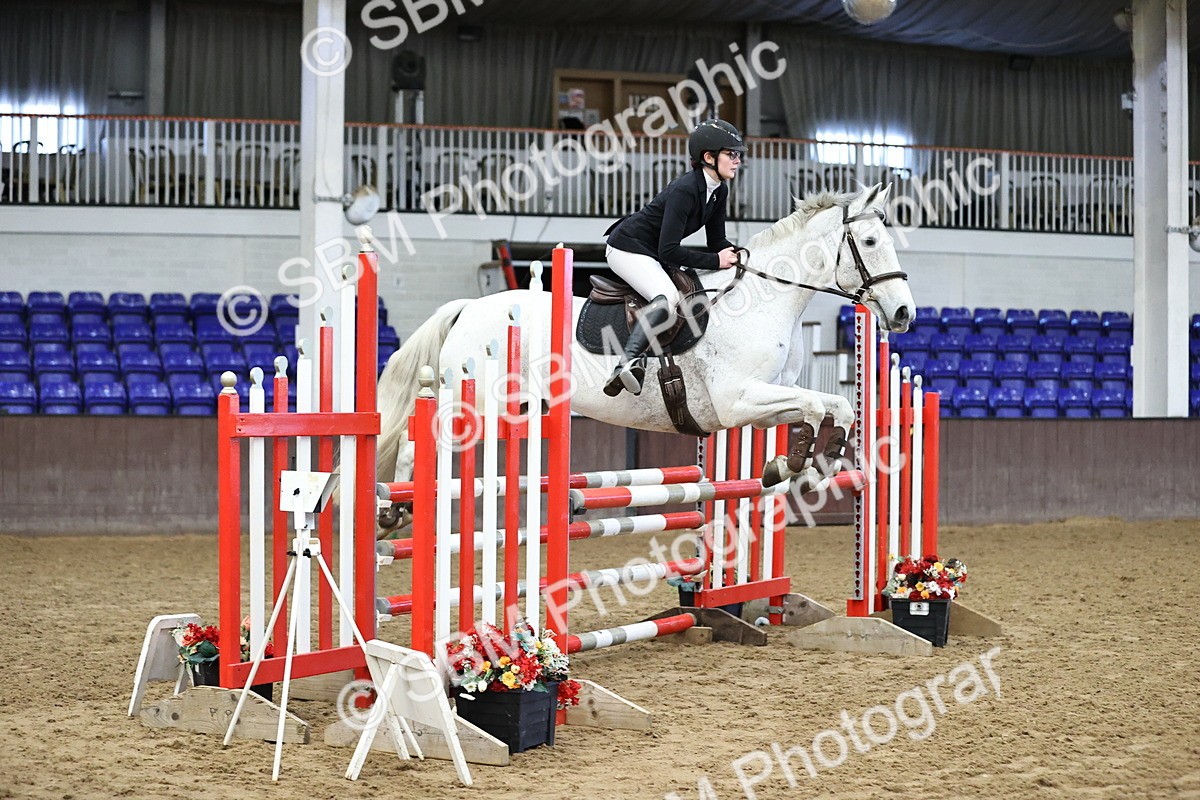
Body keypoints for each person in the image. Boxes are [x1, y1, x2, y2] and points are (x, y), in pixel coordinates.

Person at [601, 118, 745, 397]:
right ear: (708, 157)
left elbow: (716, 242)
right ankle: (625, 363)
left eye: (737, 154)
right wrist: (716, 261)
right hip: (627, 247)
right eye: (731, 154)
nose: (737, 160)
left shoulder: (718, 190)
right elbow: (670, 250)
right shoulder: (685, 189)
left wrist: (741, 254)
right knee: (666, 298)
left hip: (654, 253)